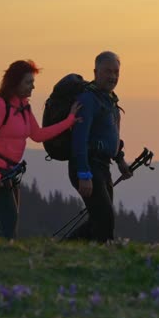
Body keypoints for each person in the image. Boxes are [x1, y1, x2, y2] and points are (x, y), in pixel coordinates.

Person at [0, 60, 81, 239]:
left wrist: (69, 121)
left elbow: (38, 135)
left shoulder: (24, 106)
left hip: (10, 170)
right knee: (10, 217)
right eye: (28, 82)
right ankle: (5, 257)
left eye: (32, 82)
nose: (33, 87)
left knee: (6, 218)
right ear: (15, 82)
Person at [66, 51, 131, 241]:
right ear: (95, 72)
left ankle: (63, 251)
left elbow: (111, 136)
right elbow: (79, 139)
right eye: (107, 71)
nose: (113, 77)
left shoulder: (109, 100)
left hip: (103, 167)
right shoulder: (88, 100)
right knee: (105, 220)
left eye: (116, 72)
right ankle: (67, 252)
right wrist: (84, 174)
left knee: (100, 220)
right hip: (88, 166)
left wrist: (120, 161)